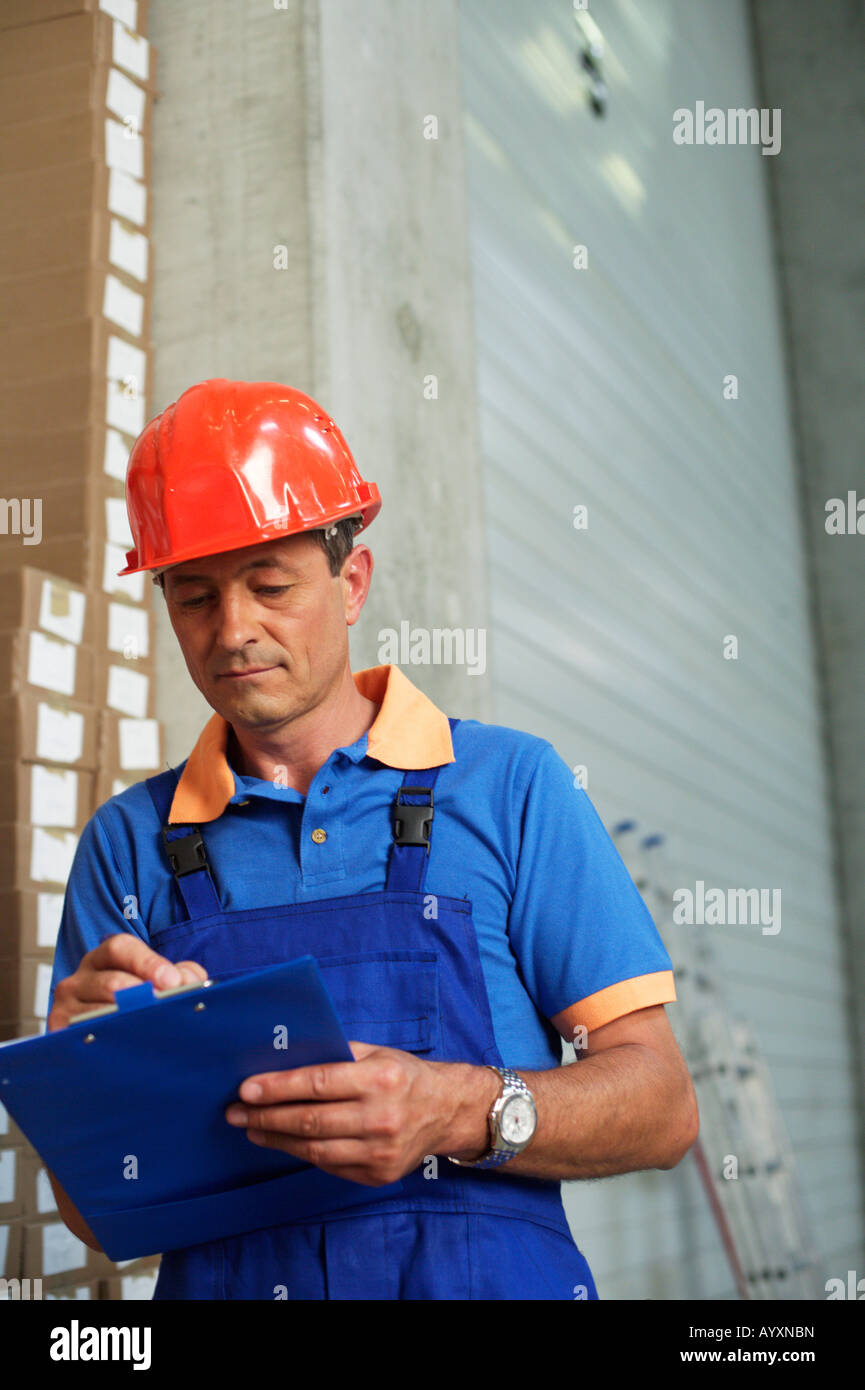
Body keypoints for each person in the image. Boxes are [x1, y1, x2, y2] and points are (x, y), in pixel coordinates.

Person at [46, 379, 698, 1300]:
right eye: (193, 599)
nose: (234, 632)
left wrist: (457, 1109)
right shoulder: (128, 844)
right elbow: (94, 1214)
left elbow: (663, 1108)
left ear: (350, 584)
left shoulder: (511, 786)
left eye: (270, 586)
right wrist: (81, 1085)